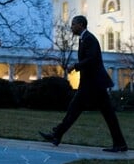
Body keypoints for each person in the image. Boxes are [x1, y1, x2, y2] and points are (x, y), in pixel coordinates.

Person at [39, 15, 128, 152]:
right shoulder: (84, 39)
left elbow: (92, 60)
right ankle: (57, 135)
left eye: (73, 24)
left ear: (81, 24)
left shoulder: (89, 39)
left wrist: (75, 66)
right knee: (76, 110)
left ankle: (57, 135)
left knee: (100, 113)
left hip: (94, 84)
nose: (72, 27)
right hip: (91, 84)